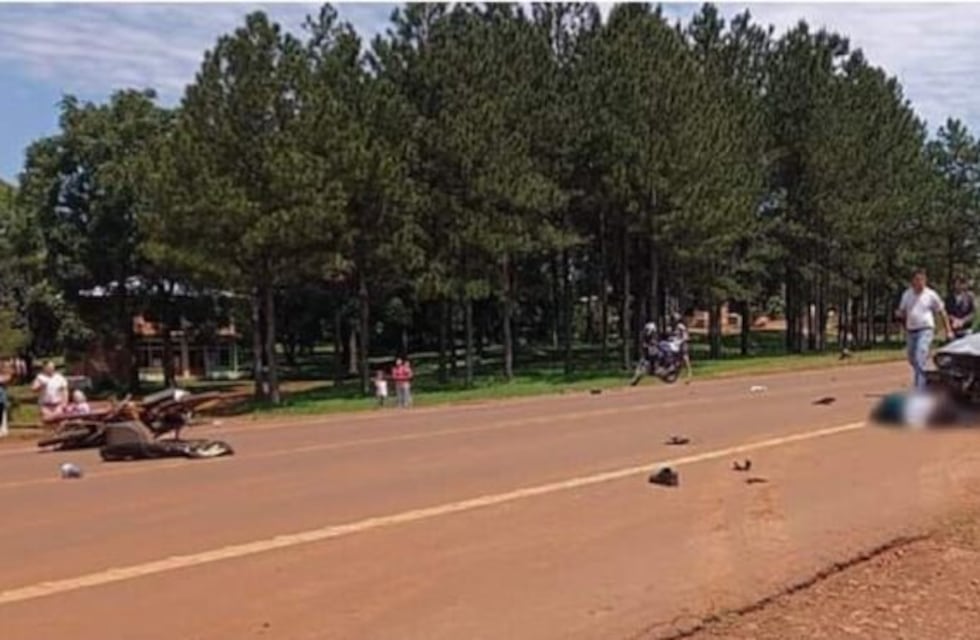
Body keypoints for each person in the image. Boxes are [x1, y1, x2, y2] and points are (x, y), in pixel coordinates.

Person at [896, 269, 952, 390]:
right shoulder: (907, 294)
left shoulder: (931, 294)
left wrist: (948, 330)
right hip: (911, 330)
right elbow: (902, 311)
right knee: (912, 357)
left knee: (919, 355)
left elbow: (942, 311)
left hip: (926, 329)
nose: (920, 283)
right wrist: (899, 315)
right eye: (917, 280)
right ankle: (928, 377)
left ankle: (920, 389)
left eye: (922, 280)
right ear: (913, 281)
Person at [946, 275, 975, 340]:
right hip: (953, 330)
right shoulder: (949, 298)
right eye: (956, 284)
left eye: (960, 284)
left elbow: (972, 313)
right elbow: (946, 313)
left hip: (966, 329)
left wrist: (963, 321)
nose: (958, 286)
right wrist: (954, 320)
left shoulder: (969, 297)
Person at [670, 312, 693, 382]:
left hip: (682, 344)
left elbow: (685, 336)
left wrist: (681, 341)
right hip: (676, 345)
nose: (673, 321)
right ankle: (676, 376)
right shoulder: (673, 327)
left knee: (685, 358)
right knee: (677, 361)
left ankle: (689, 374)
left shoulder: (680, 326)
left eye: (674, 319)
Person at [0, 361, 11, 438]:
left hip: (1, 397)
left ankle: (2, 429)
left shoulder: (5, 374)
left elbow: (7, 378)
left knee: (2, 412)